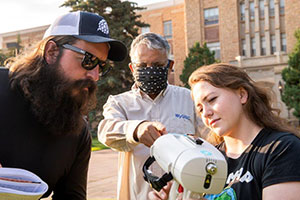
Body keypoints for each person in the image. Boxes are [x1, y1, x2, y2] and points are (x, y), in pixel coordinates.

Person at [0, 11, 127, 199]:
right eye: (88, 60)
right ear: (51, 52)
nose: (95, 76)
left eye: (101, 65)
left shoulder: (78, 133)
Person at [149, 63, 300, 200]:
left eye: (212, 99)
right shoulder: (206, 156)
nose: (206, 113)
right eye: (200, 108)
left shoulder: (282, 149)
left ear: (242, 94)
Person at [98, 32, 202, 200]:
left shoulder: (189, 99)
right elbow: (106, 132)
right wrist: (136, 129)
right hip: (138, 195)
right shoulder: (119, 103)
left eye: (157, 64)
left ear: (169, 65)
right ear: (132, 68)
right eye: (143, 65)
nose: (150, 70)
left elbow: (213, 140)